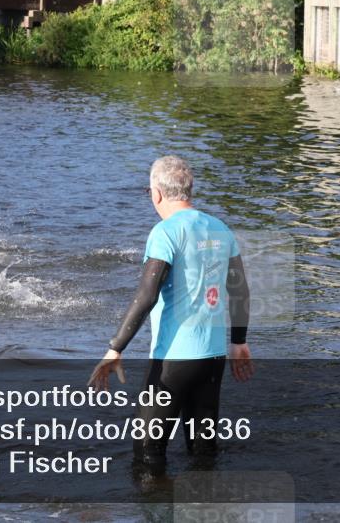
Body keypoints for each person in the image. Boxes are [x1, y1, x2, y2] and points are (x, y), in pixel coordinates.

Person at [89, 155, 254, 471]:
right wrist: (239, 342)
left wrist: (115, 348)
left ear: (156, 193)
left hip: (173, 362)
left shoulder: (164, 233)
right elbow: (240, 290)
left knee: (147, 454)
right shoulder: (220, 229)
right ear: (188, 190)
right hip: (213, 357)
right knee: (203, 451)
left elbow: (147, 294)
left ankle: (155, 510)